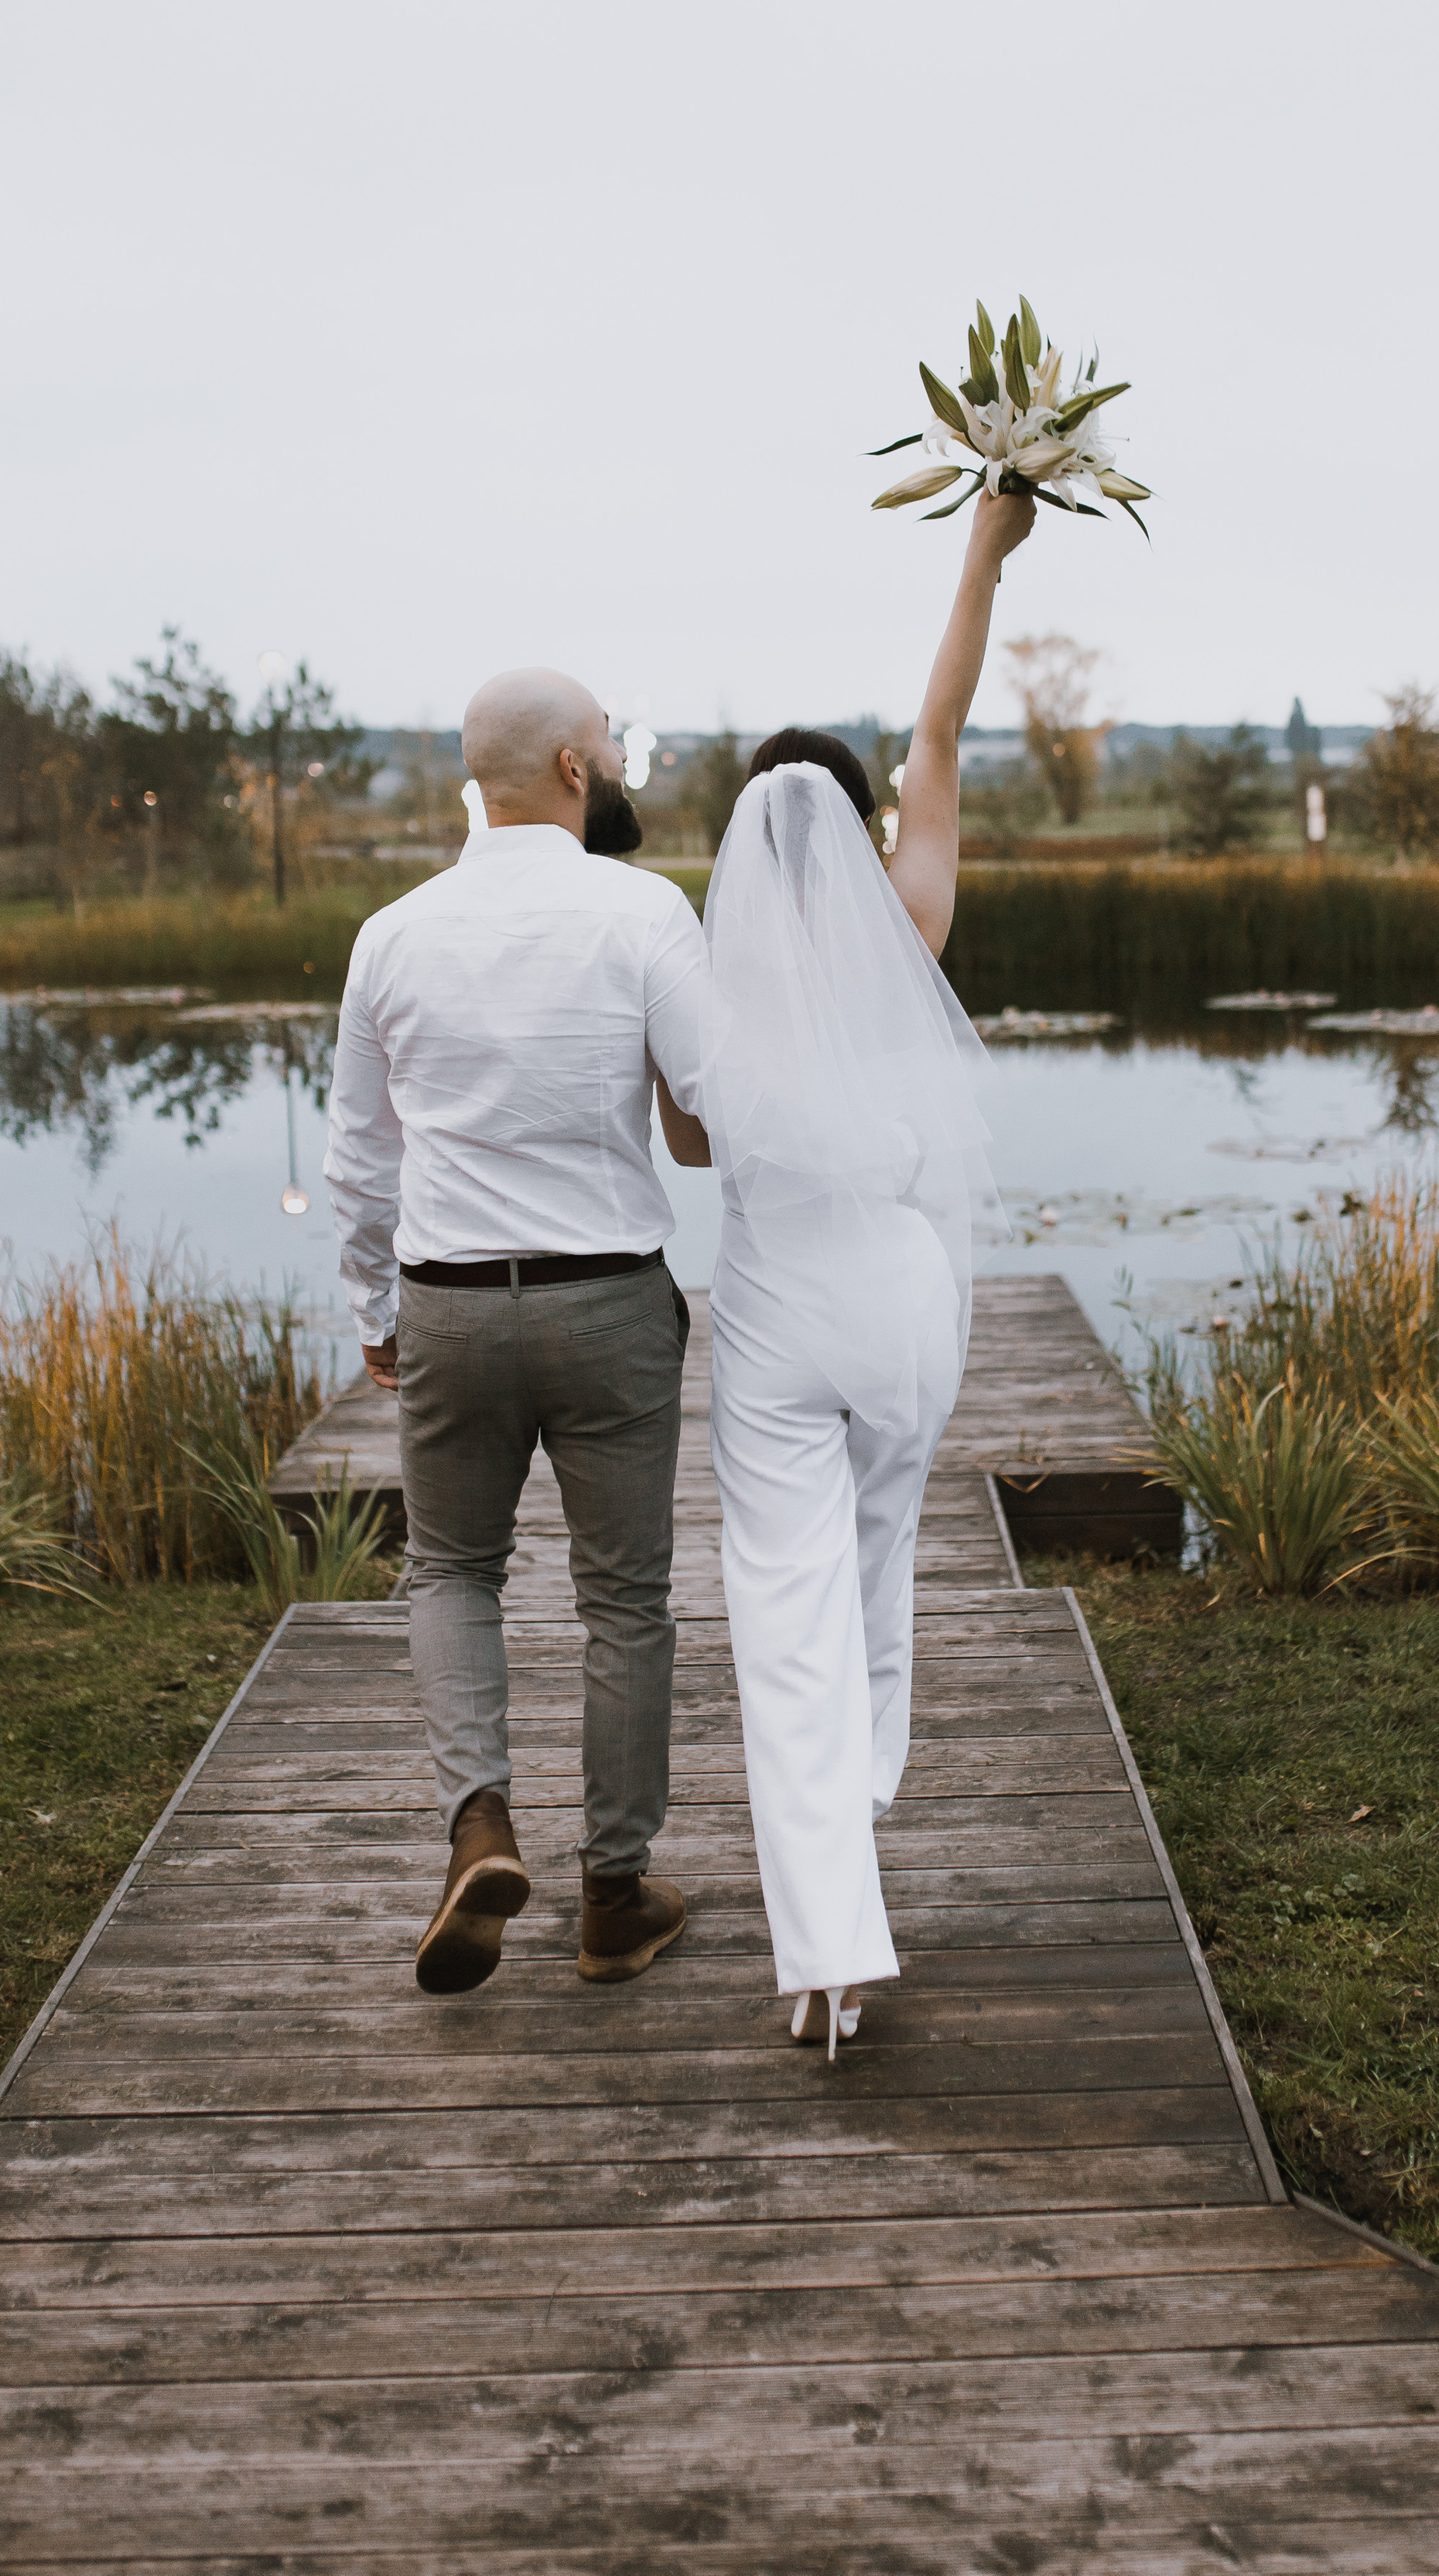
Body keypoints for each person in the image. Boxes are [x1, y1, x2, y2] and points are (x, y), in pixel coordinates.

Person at [659, 487, 1034, 2055]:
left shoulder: (705, 981)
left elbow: (691, 1152)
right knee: (879, 1565)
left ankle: (826, 1952)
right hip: (902, 1306)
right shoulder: (907, 926)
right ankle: (865, 1799)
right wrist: (984, 552)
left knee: (785, 1616)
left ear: (744, 844)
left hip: (777, 1314)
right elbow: (940, 729)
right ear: (860, 824)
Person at [324, 669, 709, 1997]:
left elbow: (359, 1158)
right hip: (609, 1302)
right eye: (608, 746)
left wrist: (376, 1310)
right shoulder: (645, 912)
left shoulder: (392, 935)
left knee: (451, 1573)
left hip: (450, 1303)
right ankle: (613, 1898)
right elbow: (714, 1104)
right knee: (625, 1603)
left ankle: (481, 1829)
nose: (618, 765)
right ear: (570, 768)